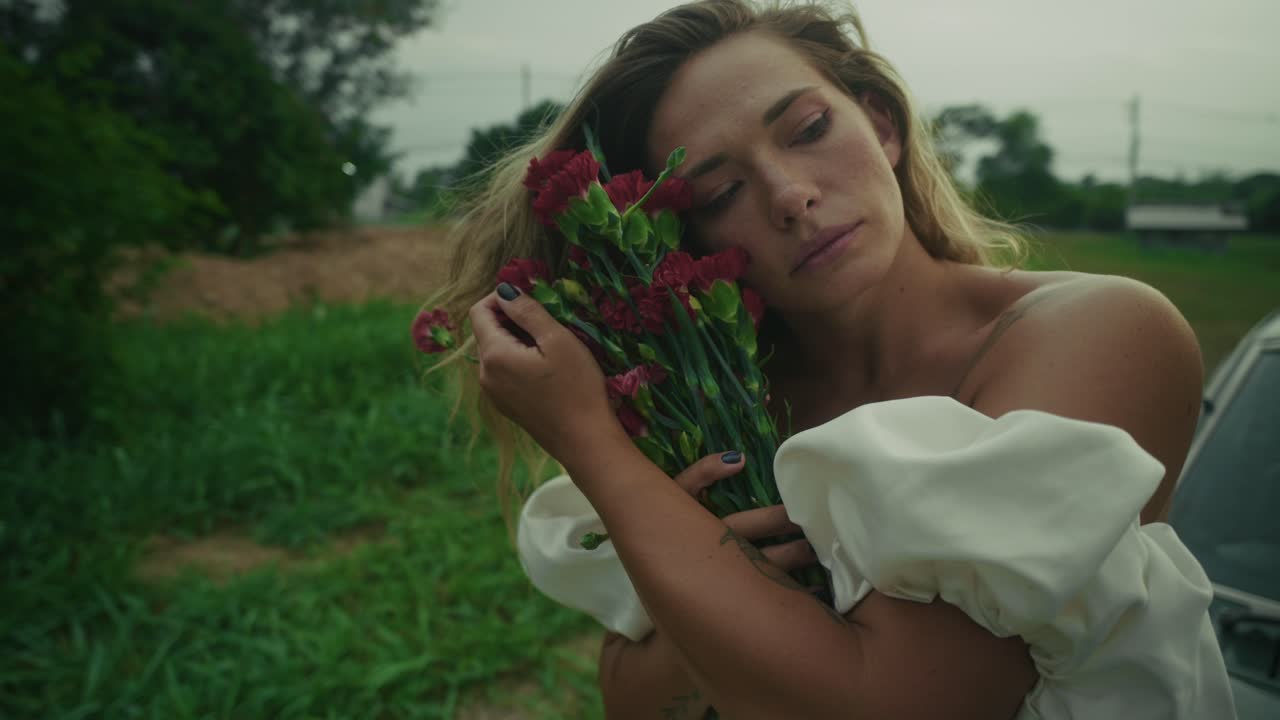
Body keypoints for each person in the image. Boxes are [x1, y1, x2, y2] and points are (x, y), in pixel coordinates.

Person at [430, 1, 1236, 718]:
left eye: (809, 130)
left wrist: (593, 445)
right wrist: (706, 565)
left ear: (882, 125)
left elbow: (902, 700)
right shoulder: (721, 406)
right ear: (681, 237)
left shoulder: (1096, 330)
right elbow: (631, 698)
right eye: (718, 193)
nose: (789, 194)